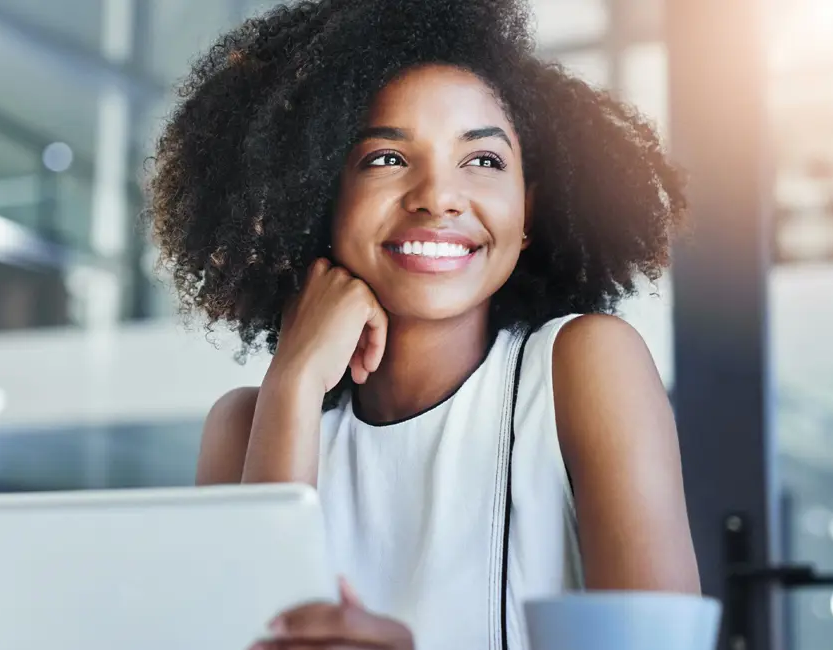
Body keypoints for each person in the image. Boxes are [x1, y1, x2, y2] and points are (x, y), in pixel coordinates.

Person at [145, 0, 700, 647]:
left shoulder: (581, 368)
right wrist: (294, 383)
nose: (438, 195)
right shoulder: (247, 425)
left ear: (528, 212)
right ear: (314, 196)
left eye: (484, 160)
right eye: (386, 158)